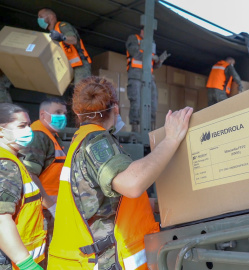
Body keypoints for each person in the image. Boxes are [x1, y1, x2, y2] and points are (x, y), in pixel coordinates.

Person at [48, 76, 192, 269]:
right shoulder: (95, 141)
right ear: (116, 108)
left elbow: (100, 201)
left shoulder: (80, 141)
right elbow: (132, 184)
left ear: (76, 111)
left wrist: (155, 205)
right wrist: (172, 139)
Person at [20, 98, 68, 267]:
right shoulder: (38, 136)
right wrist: (48, 201)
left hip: (50, 208)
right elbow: (29, 174)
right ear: (43, 114)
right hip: (44, 210)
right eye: (57, 113)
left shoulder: (50, 136)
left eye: (64, 113)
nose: (62, 117)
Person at [0, 103, 46, 270]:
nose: (29, 130)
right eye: (21, 126)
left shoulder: (15, 160)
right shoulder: (6, 165)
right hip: (13, 263)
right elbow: (1, 220)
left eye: (28, 124)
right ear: (1, 131)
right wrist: (28, 265)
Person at [126, 27, 170, 132]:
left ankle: (151, 131)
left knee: (153, 104)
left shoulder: (152, 43)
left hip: (149, 78)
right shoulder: (134, 38)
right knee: (136, 102)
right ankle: (135, 131)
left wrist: (159, 61)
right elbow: (135, 53)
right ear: (142, 31)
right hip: (136, 76)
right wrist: (151, 57)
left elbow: (152, 65)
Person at [37, 8, 92, 85]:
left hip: (80, 65)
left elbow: (73, 40)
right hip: (66, 68)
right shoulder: (51, 35)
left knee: (80, 92)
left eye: (41, 16)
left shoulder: (62, 26)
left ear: (51, 16)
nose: (39, 19)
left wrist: (62, 37)